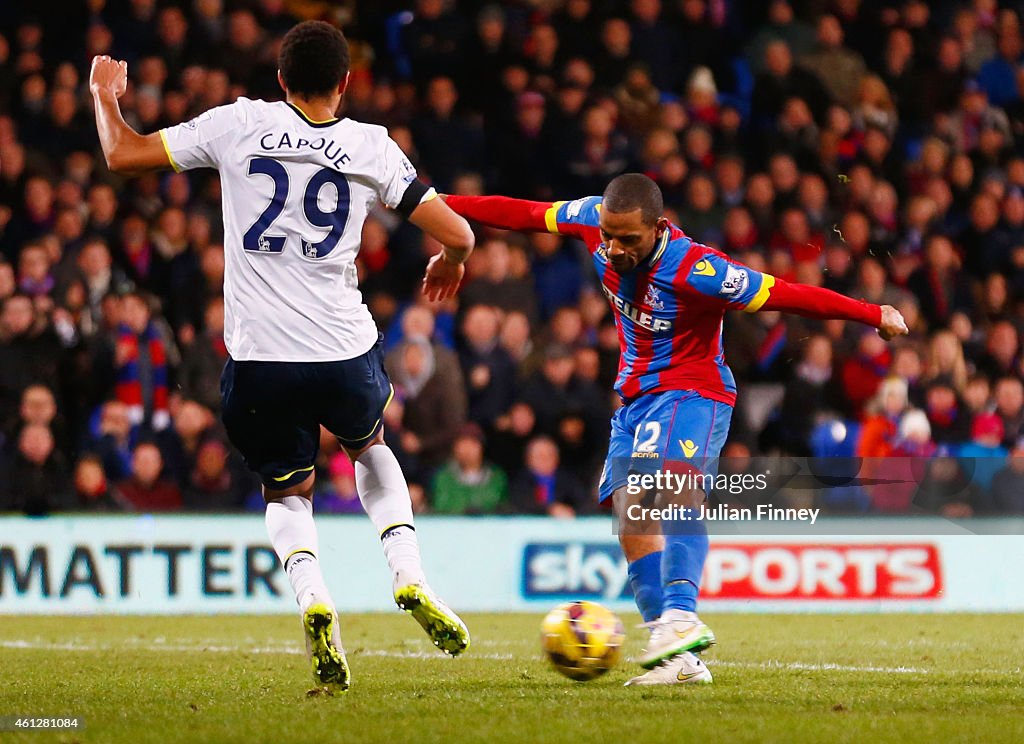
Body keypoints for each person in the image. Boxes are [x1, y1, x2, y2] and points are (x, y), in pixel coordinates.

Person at [89, 20, 475, 692]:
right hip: (341, 347)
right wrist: (454, 258)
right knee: (369, 445)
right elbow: (458, 231)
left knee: (286, 488)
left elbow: (122, 156)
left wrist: (103, 94)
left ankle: (312, 597)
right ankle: (408, 574)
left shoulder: (236, 124)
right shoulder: (369, 144)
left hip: (260, 355)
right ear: (346, 83)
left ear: (279, 79)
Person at [444, 173, 908, 686]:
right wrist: (434, 203)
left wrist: (872, 313)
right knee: (630, 518)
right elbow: (524, 210)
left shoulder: (698, 269)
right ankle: (677, 661)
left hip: (695, 392)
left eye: (628, 239)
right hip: (637, 399)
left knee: (663, 491)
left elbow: (785, 294)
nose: (614, 248)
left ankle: (681, 617)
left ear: (658, 227)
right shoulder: (590, 220)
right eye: (608, 235)